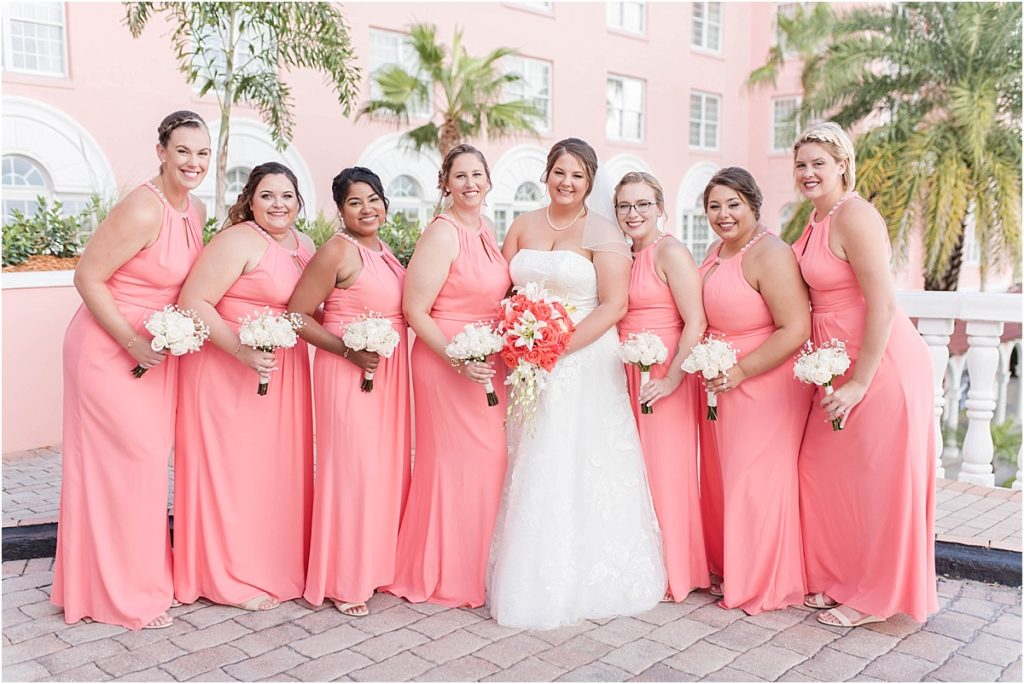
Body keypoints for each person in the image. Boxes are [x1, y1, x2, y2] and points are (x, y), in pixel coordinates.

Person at [488, 138, 665, 629]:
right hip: (528, 359)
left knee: (580, 457)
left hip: (584, 356)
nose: (567, 183)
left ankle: (589, 576)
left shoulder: (603, 231)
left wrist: (555, 346)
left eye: (577, 176)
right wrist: (520, 338)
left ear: (589, 182)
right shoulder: (522, 225)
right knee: (535, 455)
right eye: (559, 172)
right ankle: (532, 569)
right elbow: (503, 290)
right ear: (546, 174)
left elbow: (614, 305)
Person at [53, 111, 210, 630]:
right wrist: (132, 342)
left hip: (158, 350)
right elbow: (88, 277)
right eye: (183, 150)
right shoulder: (144, 209)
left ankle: (130, 577)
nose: (193, 162)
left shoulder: (197, 210)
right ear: (162, 150)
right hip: (108, 347)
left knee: (144, 466)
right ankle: (118, 594)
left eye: (202, 153)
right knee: (125, 467)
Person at [791, 122, 937, 627]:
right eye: (802, 164)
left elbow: (884, 302)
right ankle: (840, 579)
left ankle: (873, 598)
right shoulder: (815, 220)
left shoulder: (855, 216)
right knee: (823, 473)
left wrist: (859, 381)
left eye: (818, 164)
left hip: (879, 363)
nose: (808, 173)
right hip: (834, 362)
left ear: (842, 166)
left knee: (876, 482)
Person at [174, 162, 314, 612]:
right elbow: (193, 300)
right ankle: (227, 576)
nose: (278, 204)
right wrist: (241, 351)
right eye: (268, 195)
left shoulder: (305, 246)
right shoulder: (237, 240)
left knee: (273, 472)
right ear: (250, 201)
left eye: (287, 195)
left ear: (299, 202)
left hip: (284, 371)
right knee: (233, 473)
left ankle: (271, 565)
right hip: (229, 369)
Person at [383, 145, 510, 608]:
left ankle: (476, 567)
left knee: (489, 462)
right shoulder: (442, 233)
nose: (470, 183)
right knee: (458, 464)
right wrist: (456, 358)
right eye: (460, 176)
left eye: (478, 174)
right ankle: (441, 572)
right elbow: (414, 309)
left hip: (488, 360)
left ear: (488, 181)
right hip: (445, 360)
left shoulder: (488, 229)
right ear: (446, 184)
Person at [289, 167, 410, 617]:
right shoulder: (337, 250)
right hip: (348, 370)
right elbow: (298, 315)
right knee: (353, 471)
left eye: (374, 198)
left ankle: (373, 565)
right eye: (355, 202)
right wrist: (347, 350)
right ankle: (343, 579)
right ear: (340, 210)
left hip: (388, 372)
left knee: (383, 470)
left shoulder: (384, 250)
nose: (367, 208)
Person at [697, 167, 812, 615]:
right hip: (720, 381)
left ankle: (763, 582)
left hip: (763, 380)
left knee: (754, 481)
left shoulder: (771, 253)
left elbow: (795, 328)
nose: (723, 215)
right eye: (714, 206)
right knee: (726, 478)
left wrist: (742, 371)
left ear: (753, 204)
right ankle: (732, 567)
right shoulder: (716, 251)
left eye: (733, 204)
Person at [615, 172, 710, 603]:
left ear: (660, 208)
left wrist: (671, 377)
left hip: (664, 369)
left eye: (642, 205)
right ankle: (640, 563)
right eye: (624, 206)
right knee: (634, 470)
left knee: (665, 470)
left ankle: (676, 570)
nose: (633, 214)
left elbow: (696, 320)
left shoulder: (669, 251)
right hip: (628, 368)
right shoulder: (622, 254)